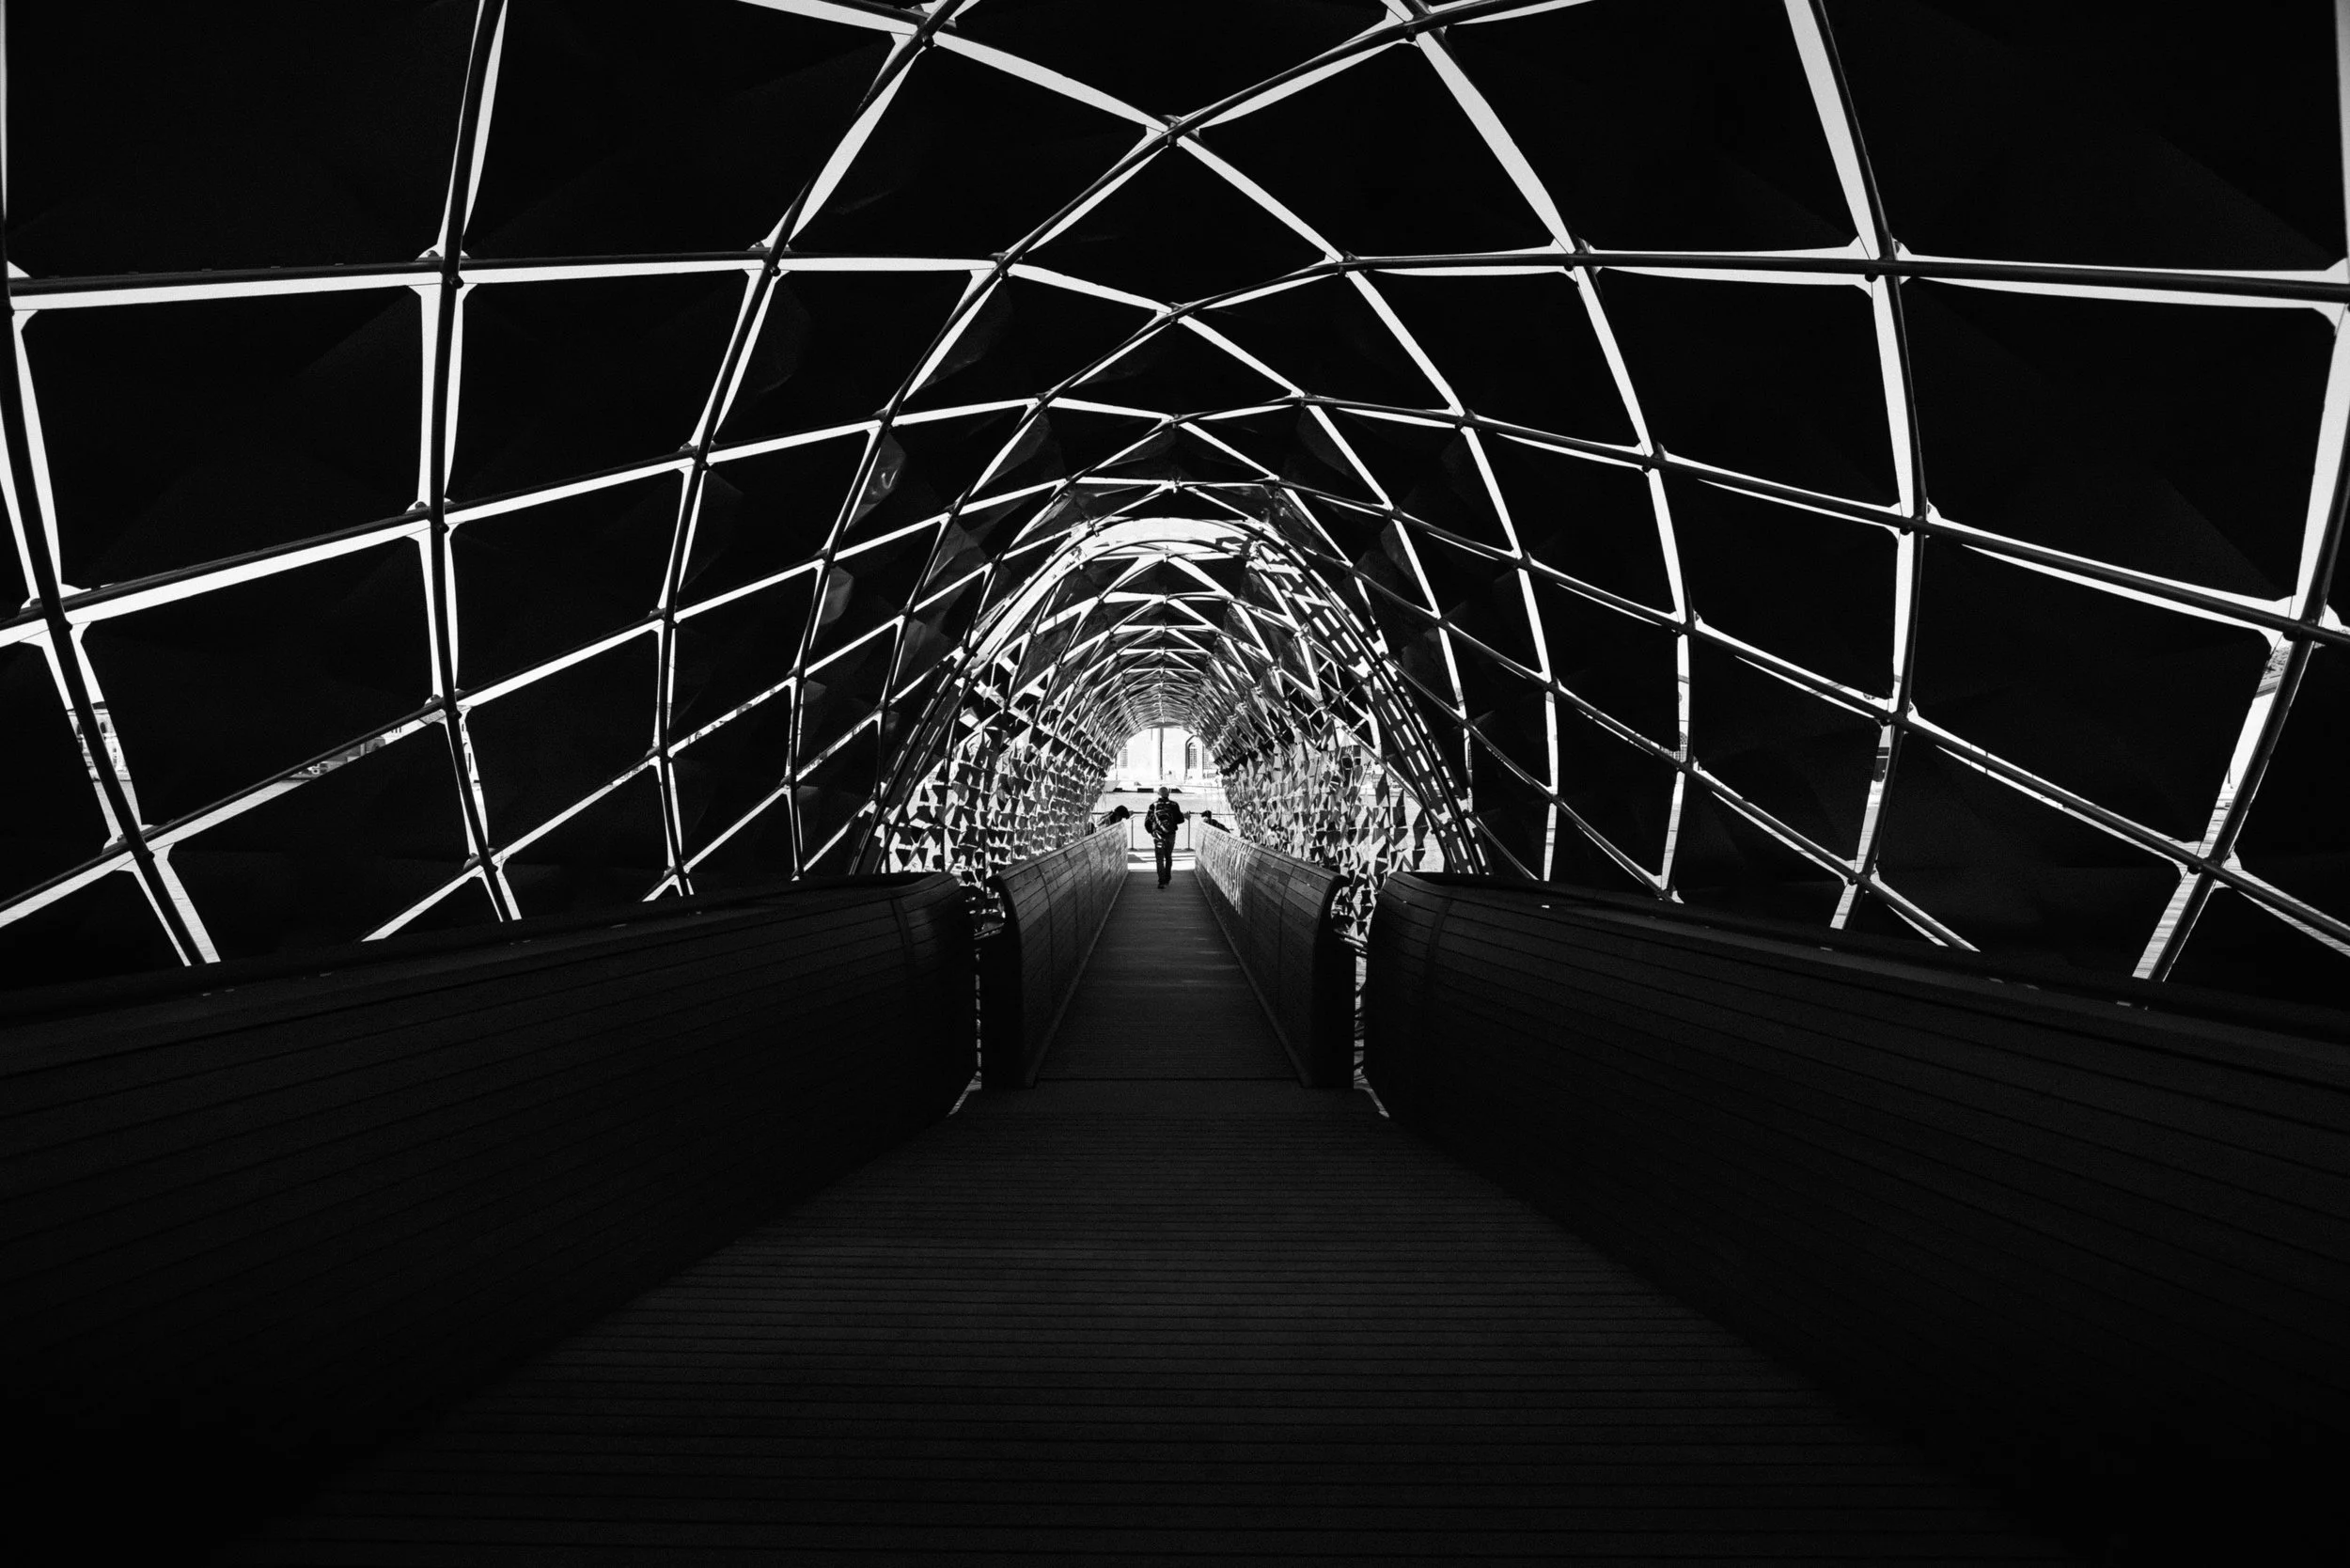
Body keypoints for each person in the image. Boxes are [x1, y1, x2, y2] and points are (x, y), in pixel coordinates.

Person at [1142, 787, 1184, 887]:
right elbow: (1180, 820)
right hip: (1171, 835)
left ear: (1158, 794)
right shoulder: (1174, 805)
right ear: (1168, 794)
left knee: (1159, 858)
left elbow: (1147, 822)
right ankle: (1167, 878)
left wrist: (1151, 832)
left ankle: (1161, 881)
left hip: (1158, 835)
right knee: (1168, 857)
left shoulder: (1153, 805)